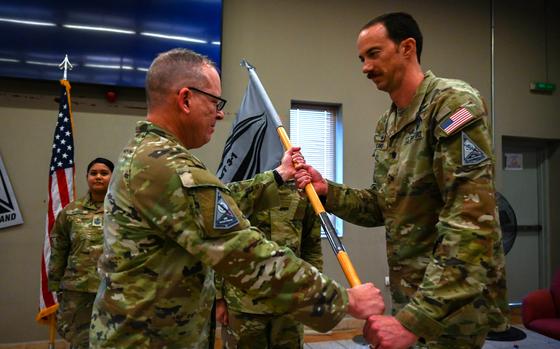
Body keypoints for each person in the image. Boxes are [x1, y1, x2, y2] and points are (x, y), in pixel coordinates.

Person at [89, 48, 384, 349]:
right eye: (215, 102)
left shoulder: (148, 154)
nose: (219, 113)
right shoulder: (169, 167)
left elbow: (224, 201)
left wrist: (278, 176)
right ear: (186, 99)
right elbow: (244, 253)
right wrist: (342, 299)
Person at [295, 12, 507, 349]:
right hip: (411, 295)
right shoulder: (387, 124)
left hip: (450, 307)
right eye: (361, 59)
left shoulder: (451, 104)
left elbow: (472, 220)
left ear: (407, 48)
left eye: (374, 54)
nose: (365, 67)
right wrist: (327, 191)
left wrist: (415, 319)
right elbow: (382, 206)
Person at [216, 181, 322, 348]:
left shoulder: (304, 194)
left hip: (289, 302)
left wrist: (313, 290)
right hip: (244, 305)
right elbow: (220, 245)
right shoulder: (239, 190)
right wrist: (218, 298)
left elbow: (312, 247)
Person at [48, 157, 114, 349]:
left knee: (112, 339)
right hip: (78, 289)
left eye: (104, 173)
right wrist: (54, 282)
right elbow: (59, 248)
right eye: (94, 173)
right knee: (80, 340)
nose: (98, 177)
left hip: (113, 287)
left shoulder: (123, 211)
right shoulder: (70, 212)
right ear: (87, 177)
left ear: (113, 177)